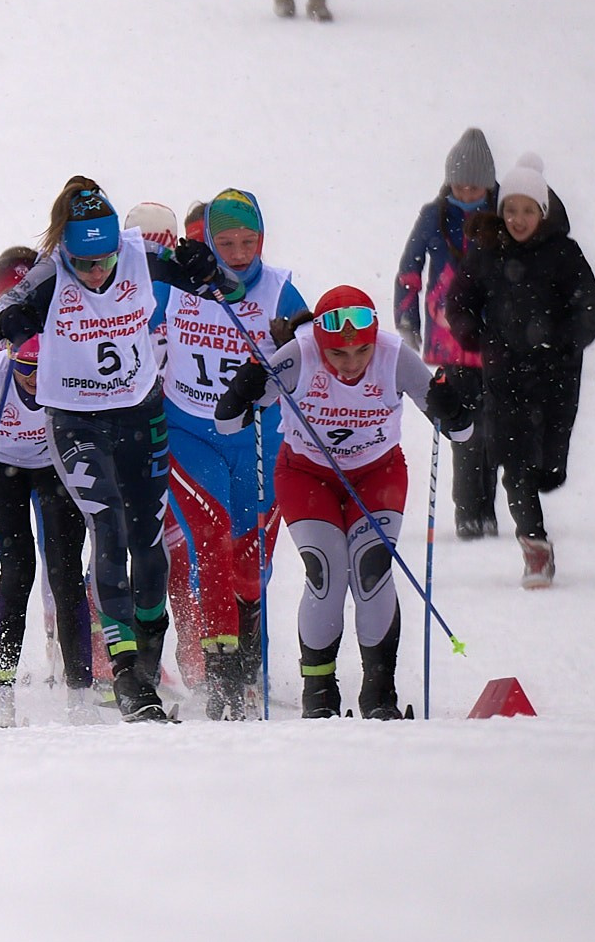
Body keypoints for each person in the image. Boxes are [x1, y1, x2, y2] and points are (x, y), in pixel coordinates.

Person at [0, 179, 224, 721]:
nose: (96, 273)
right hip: (76, 421)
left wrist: (203, 267)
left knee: (148, 541)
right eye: (84, 263)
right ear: (66, 250)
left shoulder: (136, 253)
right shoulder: (49, 272)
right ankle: (128, 676)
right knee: (108, 529)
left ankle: (149, 669)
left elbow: (210, 283)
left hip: (140, 412)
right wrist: (4, 324)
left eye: (103, 260)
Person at [216, 286, 472, 717]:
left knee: (371, 568)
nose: (351, 364)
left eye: (361, 352)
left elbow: (459, 433)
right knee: (326, 570)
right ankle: (318, 690)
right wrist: (243, 389)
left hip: (377, 473)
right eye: (338, 354)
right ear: (320, 343)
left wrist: (455, 407)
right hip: (305, 474)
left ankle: (379, 692)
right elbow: (228, 422)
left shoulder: (394, 355)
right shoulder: (299, 355)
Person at [153, 188, 305, 716]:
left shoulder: (282, 290)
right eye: (226, 242)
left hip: (259, 439)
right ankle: (220, 679)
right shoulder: (177, 282)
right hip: (189, 434)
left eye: (249, 241)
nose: (239, 253)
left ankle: (248, 672)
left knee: (251, 563)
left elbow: (312, 360)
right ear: (209, 240)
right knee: (211, 542)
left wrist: (296, 342)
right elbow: (121, 301)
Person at [448, 154, 595, 589]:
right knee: (513, 465)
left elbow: (591, 311)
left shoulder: (564, 254)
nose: (518, 219)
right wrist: (475, 338)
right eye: (511, 210)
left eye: (527, 210)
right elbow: (458, 302)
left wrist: (562, 344)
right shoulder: (487, 253)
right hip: (504, 379)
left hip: (555, 382)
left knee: (548, 469)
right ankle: (534, 547)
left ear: (543, 212)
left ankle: (542, 484)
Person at [0, 336, 95, 724]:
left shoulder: (70, 371)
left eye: (42, 368)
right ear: (10, 359)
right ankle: (1, 694)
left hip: (54, 464)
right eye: (24, 367)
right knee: (17, 571)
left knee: (66, 573)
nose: (33, 377)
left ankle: (80, 697)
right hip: (0, 467)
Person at [396, 128, 499, 539]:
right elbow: (409, 271)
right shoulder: (434, 215)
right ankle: (467, 514)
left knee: (493, 429)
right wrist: (408, 321)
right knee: (463, 426)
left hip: (494, 342)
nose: (467, 189)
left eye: (475, 183)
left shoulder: (503, 214)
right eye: (460, 181)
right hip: (449, 340)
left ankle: (485, 510)